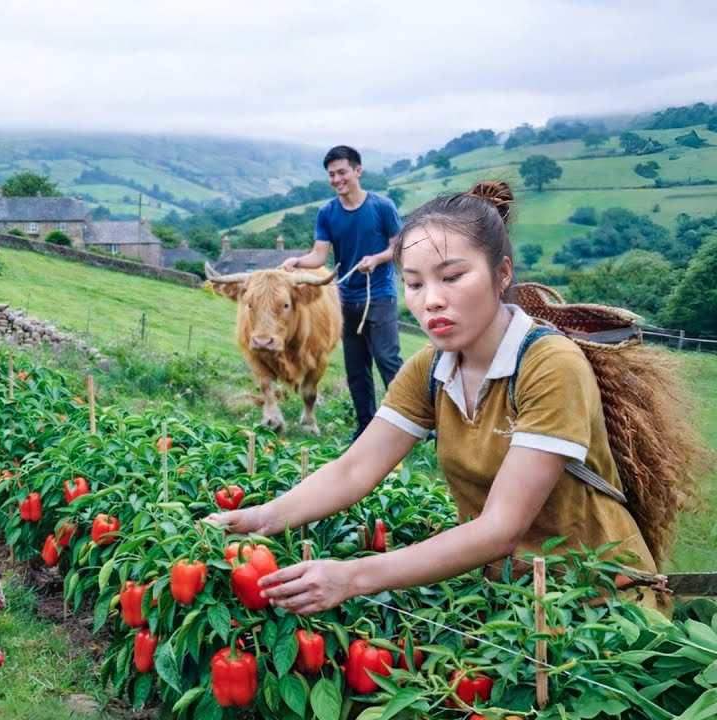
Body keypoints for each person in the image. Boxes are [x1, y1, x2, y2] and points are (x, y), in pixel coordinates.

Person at [215, 181, 665, 615]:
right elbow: (354, 469)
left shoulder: (549, 366)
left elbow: (500, 528)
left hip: (603, 608)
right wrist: (261, 518)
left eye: (451, 277)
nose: (431, 300)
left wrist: (352, 577)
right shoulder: (430, 369)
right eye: (414, 284)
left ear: (502, 273)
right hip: (506, 601)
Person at [282, 146, 403, 441]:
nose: (336, 179)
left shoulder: (382, 206)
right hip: (345, 299)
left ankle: (411, 424)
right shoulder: (327, 213)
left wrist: (376, 259)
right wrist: (297, 261)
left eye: (342, 172)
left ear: (357, 171)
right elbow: (319, 256)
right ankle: (365, 428)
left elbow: (399, 247)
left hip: (379, 295)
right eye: (331, 174)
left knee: (387, 360)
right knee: (356, 368)